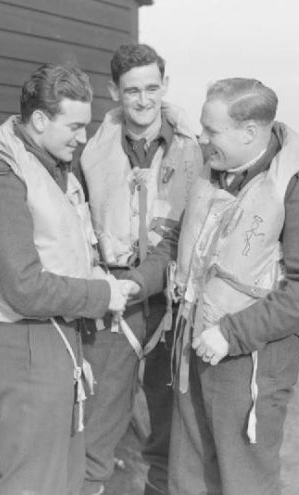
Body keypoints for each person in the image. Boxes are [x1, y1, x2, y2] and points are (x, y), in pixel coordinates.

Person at [143, 77, 299, 495]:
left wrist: (232, 334)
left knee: (243, 481)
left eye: (212, 131)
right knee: (189, 478)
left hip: (248, 365)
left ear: (250, 132)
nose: (202, 138)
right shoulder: (211, 177)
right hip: (192, 352)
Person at [0, 63, 135, 495]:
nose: (82, 137)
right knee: (32, 483)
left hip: (60, 341)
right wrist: (102, 294)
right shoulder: (3, 180)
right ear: (39, 120)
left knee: (63, 480)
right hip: (24, 347)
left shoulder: (54, 170)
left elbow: (63, 254)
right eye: (74, 126)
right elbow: (24, 288)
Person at [78, 44, 203, 495]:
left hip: (172, 303)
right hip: (116, 304)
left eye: (153, 88)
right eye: (132, 91)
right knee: (96, 429)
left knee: (171, 436)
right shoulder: (91, 152)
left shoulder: (196, 149)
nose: (144, 100)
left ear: (165, 86)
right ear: (114, 91)